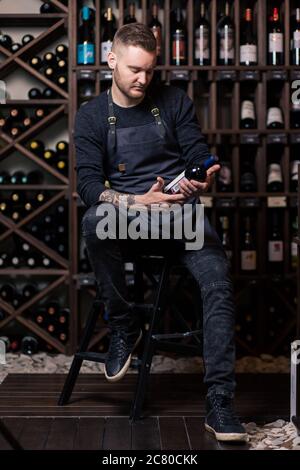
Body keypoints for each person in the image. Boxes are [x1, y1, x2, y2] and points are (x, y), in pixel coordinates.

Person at [74, 23, 248, 442]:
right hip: (131, 215)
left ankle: (220, 401)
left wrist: (200, 177)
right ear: (111, 60)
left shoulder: (172, 101)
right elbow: (88, 187)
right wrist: (137, 201)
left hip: (179, 215)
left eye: (150, 71)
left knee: (218, 286)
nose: (143, 79)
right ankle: (124, 326)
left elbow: (195, 152)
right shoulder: (92, 115)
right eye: (135, 69)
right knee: (94, 222)